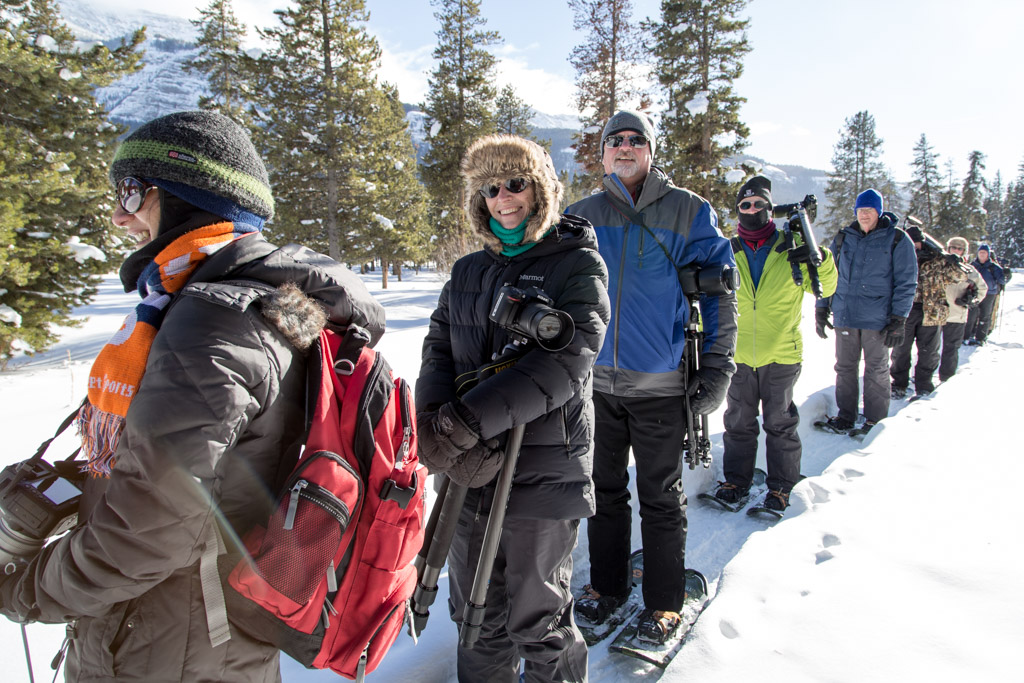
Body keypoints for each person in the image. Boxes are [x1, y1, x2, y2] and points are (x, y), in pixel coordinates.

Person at [0, 111, 385, 681]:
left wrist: (28, 590)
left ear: (189, 195)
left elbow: (151, 530)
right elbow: (211, 471)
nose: (119, 216)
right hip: (207, 637)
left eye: (132, 192)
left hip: (164, 646)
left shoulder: (212, 325)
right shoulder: (258, 304)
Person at [415, 134, 609, 683]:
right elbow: (438, 350)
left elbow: (565, 363)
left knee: (538, 622)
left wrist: (467, 423)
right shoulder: (466, 272)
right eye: (491, 188)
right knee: (475, 619)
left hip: (543, 469)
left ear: (540, 190)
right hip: (469, 471)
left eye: (516, 184)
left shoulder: (578, 264)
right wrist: (436, 424)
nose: (503, 198)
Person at [565, 110, 738, 643]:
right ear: (602, 152)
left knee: (661, 495)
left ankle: (664, 602)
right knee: (602, 491)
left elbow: (719, 294)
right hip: (594, 385)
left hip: (662, 385)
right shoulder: (580, 216)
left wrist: (717, 365)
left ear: (650, 149)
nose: (624, 147)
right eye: (614, 140)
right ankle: (607, 588)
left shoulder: (689, 211)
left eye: (635, 140)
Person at [713, 176, 837, 513]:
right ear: (738, 210)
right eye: (745, 204)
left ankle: (782, 486)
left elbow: (826, 286)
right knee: (738, 422)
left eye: (759, 204)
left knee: (779, 423)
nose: (752, 209)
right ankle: (736, 481)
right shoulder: (728, 250)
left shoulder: (790, 247)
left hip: (782, 352)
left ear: (770, 209)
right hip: (739, 354)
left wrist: (819, 254)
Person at [815, 188, 916, 434]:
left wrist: (899, 319)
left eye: (869, 210)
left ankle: (874, 421)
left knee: (876, 369)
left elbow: (906, 282)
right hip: (846, 315)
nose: (864, 215)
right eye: (860, 210)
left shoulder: (897, 239)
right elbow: (828, 275)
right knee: (844, 367)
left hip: (878, 318)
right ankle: (845, 417)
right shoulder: (843, 238)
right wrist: (821, 307)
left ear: (879, 212)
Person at [889, 222, 968, 399]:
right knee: (900, 350)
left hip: (933, 311)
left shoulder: (937, 259)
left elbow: (960, 276)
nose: (914, 246)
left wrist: (955, 262)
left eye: (916, 243)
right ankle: (898, 384)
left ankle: (924, 385)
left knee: (929, 351)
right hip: (906, 310)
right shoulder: (901, 256)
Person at [939, 236, 987, 381]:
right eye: (953, 247)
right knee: (928, 349)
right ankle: (923, 377)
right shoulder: (938, 266)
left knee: (951, 348)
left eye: (960, 249)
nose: (956, 250)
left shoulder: (970, 271)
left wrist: (971, 300)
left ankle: (947, 377)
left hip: (956, 315)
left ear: (964, 251)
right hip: (935, 313)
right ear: (948, 249)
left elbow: (982, 289)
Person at [964, 243, 1005, 345]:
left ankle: (981, 338)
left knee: (985, 316)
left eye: (984, 253)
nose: (982, 254)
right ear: (978, 254)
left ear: (988, 254)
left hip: (989, 293)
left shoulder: (994, 267)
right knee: (971, 316)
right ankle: (967, 336)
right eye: (980, 252)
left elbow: (1002, 280)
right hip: (974, 292)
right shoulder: (972, 265)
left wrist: (1006, 274)